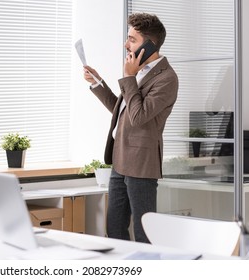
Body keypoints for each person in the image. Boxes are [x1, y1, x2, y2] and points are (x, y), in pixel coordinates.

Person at [83, 12, 178, 243]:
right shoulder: (140, 73)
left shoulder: (166, 78)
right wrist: (97, 82)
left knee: (145, 233)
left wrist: (128, 77)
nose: (126, 45)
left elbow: (138, 116)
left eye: (132, 40)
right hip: (120, 159)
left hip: (142, 165)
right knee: (114, 230)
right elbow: (122, 110)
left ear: (149, 45)